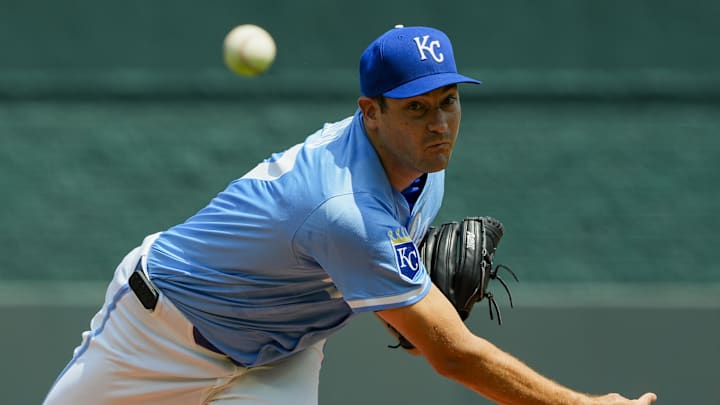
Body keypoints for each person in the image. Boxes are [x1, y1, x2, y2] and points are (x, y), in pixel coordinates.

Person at [44, 25, 657, 405]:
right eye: (416, 108)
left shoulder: (425, 167)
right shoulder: (345, 210)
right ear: (371, 111)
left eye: (448, 102)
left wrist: (409, 312)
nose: (440, 124)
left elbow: (401, 316)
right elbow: (454, 356)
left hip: (279, 357)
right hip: (157, 334)